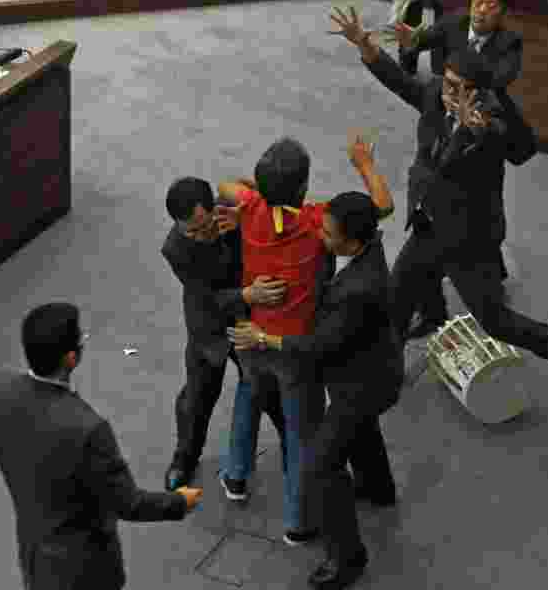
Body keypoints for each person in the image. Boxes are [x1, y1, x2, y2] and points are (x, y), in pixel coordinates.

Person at [330, 4, 548, 409]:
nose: (449, 92)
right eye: (447, 83)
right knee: (396, 306)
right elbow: (399, 80)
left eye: (459, 87)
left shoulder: (489, 119)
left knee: (495, 321)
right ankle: (383, 376)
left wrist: (479, 128)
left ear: (479, 90)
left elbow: (508, 142)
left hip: (468, 241)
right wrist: (365, 44)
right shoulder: (436, 98)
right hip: (427, 226)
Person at [0, 303, 201, 590]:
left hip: (37, 565)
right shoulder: (89, 429)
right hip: (89, 572)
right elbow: (128, 503)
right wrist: (179, 502)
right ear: (71, 358)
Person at [216, 135, 393, 545]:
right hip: (295, 349)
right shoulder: (315, 222)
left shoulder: (250, 209)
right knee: (300, 433)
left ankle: (236, 476)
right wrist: (365, 166)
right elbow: (382, 207)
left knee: (248, 397)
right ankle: (297, 519)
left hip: (252, 335)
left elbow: (227, 185)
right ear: (303, 187)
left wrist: (254, 194)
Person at [229, 192, 401, 590]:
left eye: (327, 233)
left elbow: (316, 346)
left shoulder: (359, 288)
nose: (319, 236)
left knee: (322, 463)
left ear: (352, 241)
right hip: (372, 372)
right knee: (360, 429)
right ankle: (378, 488)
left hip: (361, 383)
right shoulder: (364, 254)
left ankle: (347, 558)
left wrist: (264, 337)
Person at [393, 0, 524, 338]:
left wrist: (473, 97)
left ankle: (490, 274)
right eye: (478, 1)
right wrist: (409, 41)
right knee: (435, 213)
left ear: (503, 13)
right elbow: (421, 40)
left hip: (483, 132)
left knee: (480, 206)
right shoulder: (453, 22)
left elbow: (501, 79)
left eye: (491, 5)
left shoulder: (509, 44)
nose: (481, 10)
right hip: (447, 118)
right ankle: (432, 309)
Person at [161, 176, 290, 491]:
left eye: (204, 226)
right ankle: (185, 457)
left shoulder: (236, 210)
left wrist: (244, 225)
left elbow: (276, 217)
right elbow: (205, 297)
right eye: (190, 231)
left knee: (271, 391)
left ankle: (294, 450)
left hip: (253, 323)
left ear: (215, 208)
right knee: (197, 399)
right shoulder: (176, 248)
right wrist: (248, 295)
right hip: (210, 327)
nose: (200, 235)